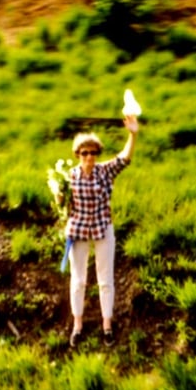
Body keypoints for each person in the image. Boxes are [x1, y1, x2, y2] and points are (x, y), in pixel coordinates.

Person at [66, 115, 138, 347]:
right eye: (84, 153)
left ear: (97, 154)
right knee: (78, 280)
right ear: (77, 154)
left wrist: (133, 134)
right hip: (78, 232)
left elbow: (124, 158)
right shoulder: (68, 176)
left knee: (105, 279)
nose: (89, 157)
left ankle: (107, 325)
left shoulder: (104, 171)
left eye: (93, 152)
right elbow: (64, 204)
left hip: (102, 229)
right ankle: (78, 325)